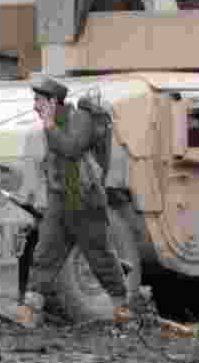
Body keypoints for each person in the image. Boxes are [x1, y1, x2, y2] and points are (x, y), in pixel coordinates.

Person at [24, 76, 132, 324]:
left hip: (84, 201)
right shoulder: (56, 123)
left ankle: (121, 308)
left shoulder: (80, 119)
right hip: (61, 201)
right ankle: (28, 310)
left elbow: (71, 149)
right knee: (45, 254)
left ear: (53, 102)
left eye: (39, 101)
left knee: (100, 256)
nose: (35, 107)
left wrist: (50, 125)